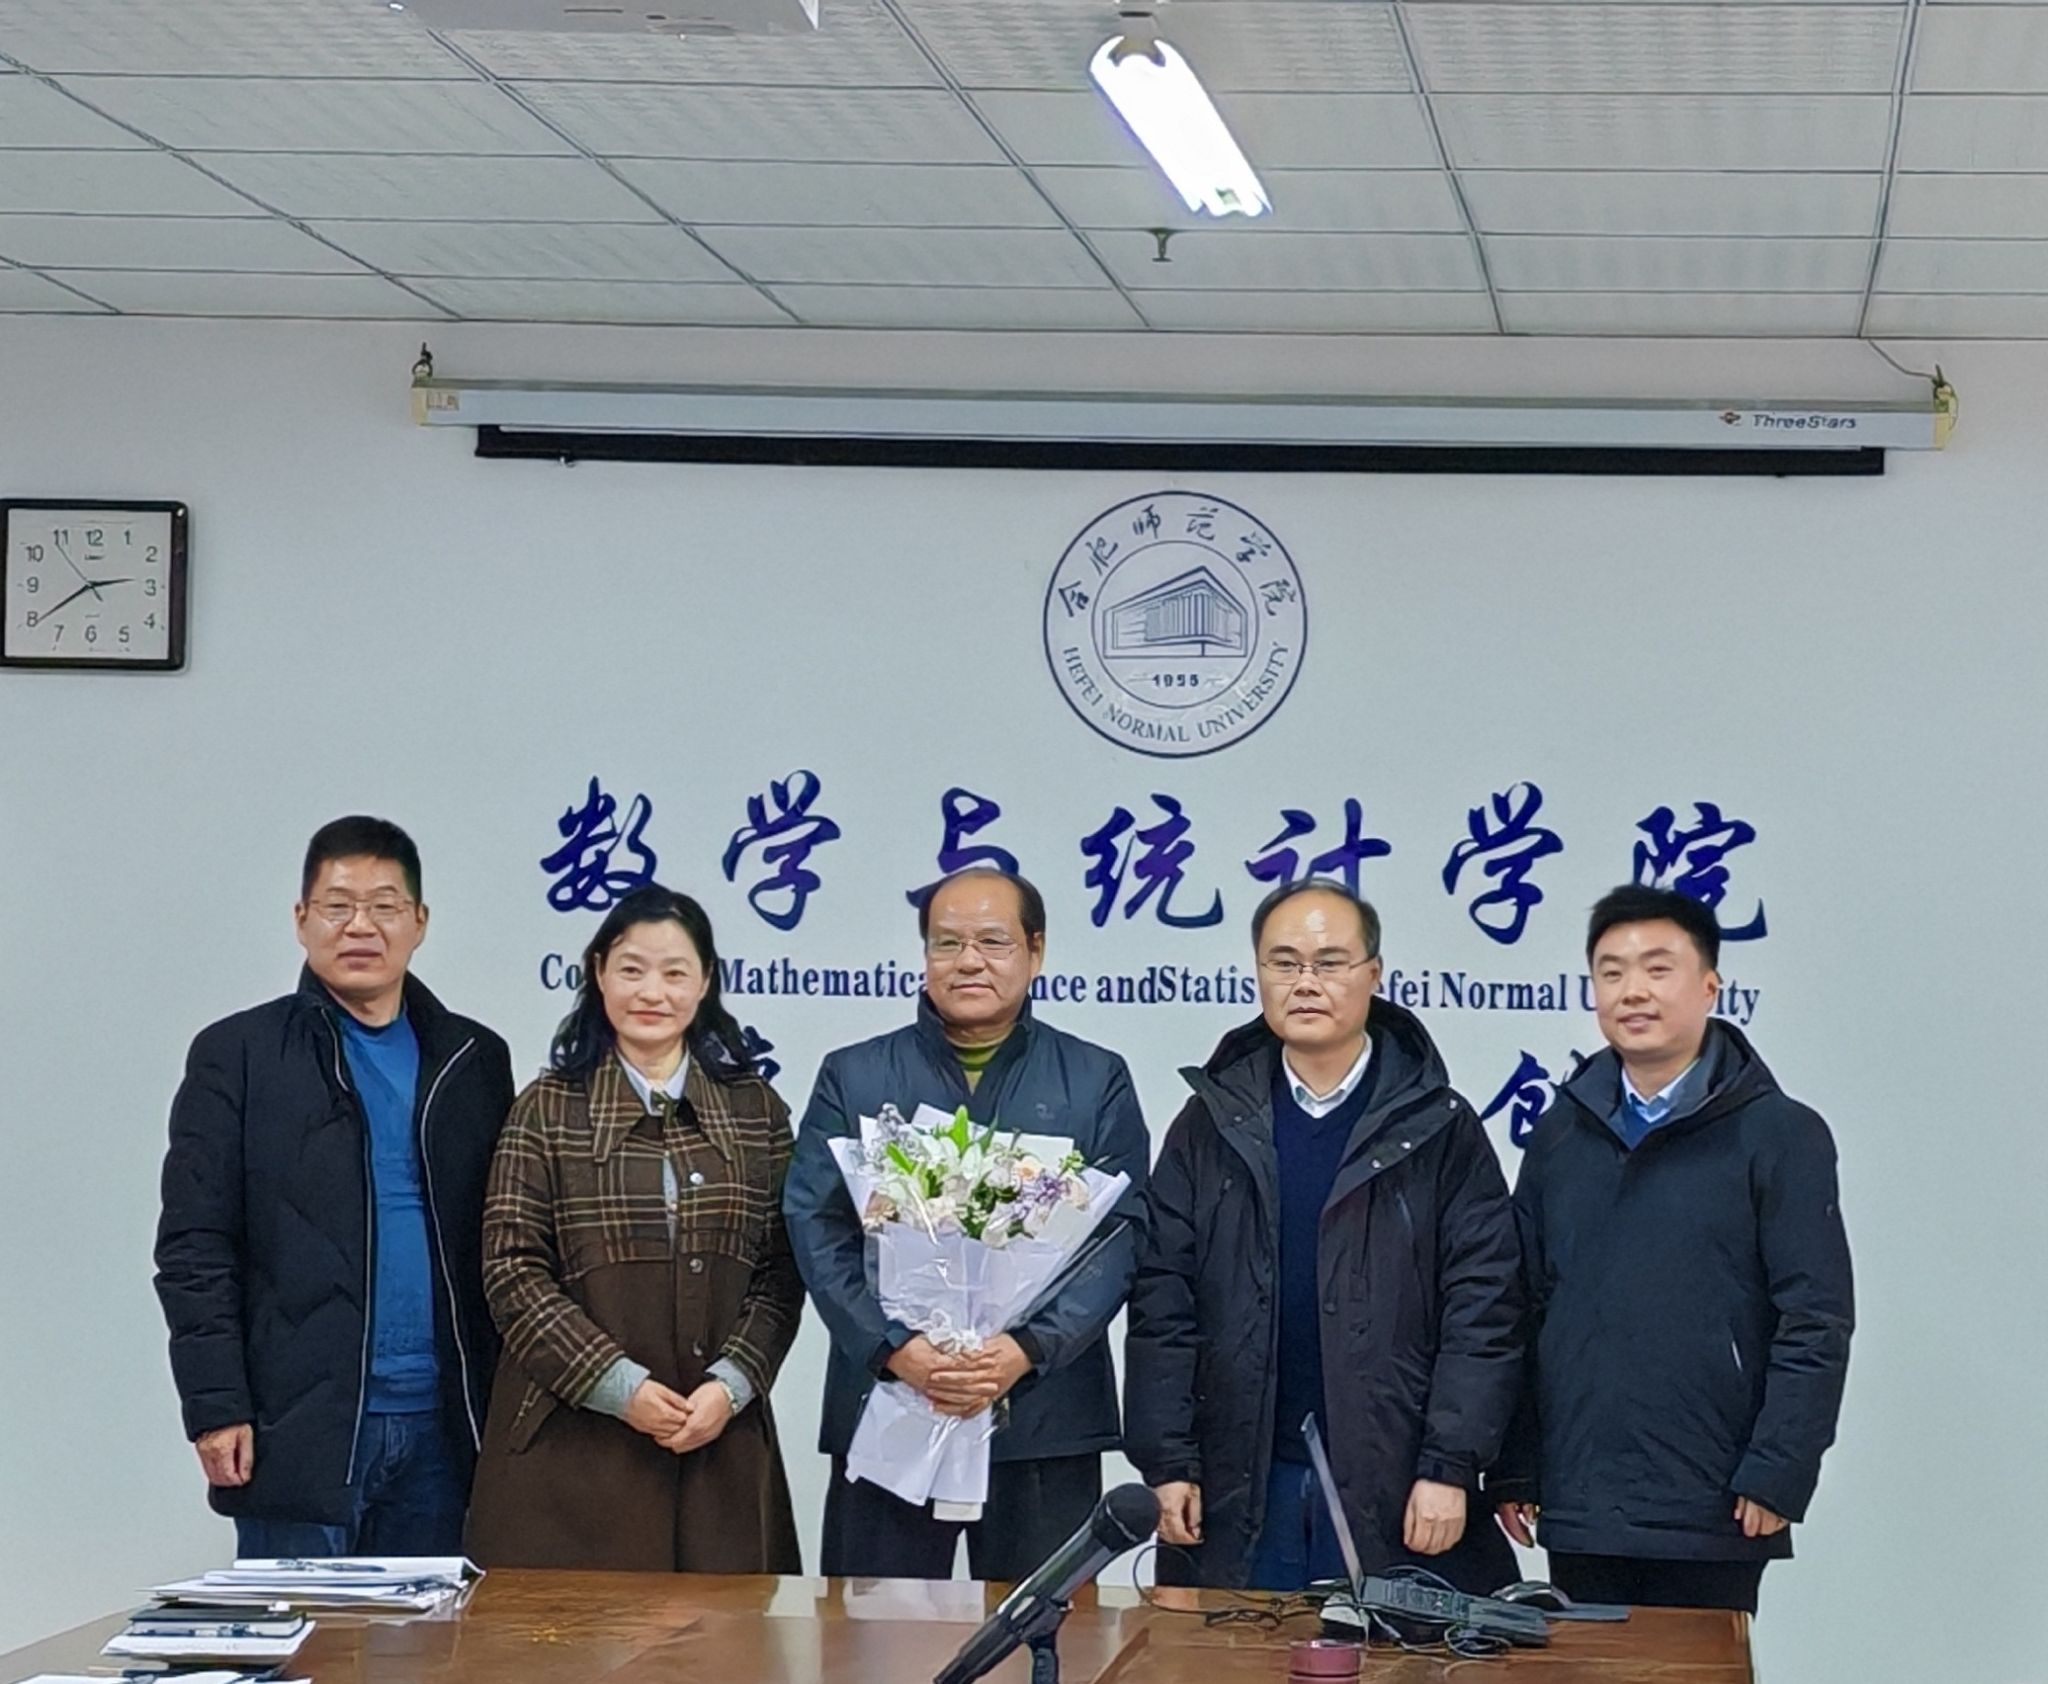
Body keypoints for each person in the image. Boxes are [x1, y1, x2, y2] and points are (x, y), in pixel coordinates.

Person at [1125, 879, 1521, 1594]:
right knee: (1233, 1651)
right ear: (1258, 974)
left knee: (1390, 1652)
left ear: (1374, 974)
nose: (1305, 982)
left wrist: (1449, 1465)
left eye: (1330, 962)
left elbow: (1484, 1308)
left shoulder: (1439, 1126)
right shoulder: (1209, 1124)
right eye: (1284, 963)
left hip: (1395, 1477)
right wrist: (1168, 1461)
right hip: (1240, 1478)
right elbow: (1163, 1301)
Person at [154, 816, 515, 1555]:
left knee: (434, 1630)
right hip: (297, 1427)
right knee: (302, 1631)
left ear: (419, 922)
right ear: (301, 920)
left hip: (446, 1429)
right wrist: (215, 1404)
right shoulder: (238, 1054)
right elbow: (194, 1248)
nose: (361, 927)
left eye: (384, 906)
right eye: (338, 906)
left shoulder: (474, 1059)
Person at [1490, 885, 1854, 1614]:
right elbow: (1521, 1305)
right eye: (1612, 972)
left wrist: (1779, 1469)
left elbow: (1815, 1321)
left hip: (1715, 1503)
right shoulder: (1561, 1136)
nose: (1634, 991)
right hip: (1583, 1499)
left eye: (1658, 969)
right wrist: (1514, 1466)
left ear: (1710, 986)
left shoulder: (1780, 1134)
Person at [783, 866, 1150, 1580]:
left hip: (1041, 1416)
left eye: (993, 941)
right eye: (947, 943)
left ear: (1036, 952)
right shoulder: (854, 1076)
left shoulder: (1095, 1078)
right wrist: (895, 1348)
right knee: (873, 1630)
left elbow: (1121, 1234)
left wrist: (1025, 1348)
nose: (968, 961)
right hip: (891, 1406)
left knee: (1045, 1630)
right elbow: (817, 1226)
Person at [466, 886, 804, 1571]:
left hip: (720, 1446)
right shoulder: (546, 1109)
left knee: (726, 1633)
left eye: (675, 972)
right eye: (631, 969)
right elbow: (512, 1270)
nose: (653, 992)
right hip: (571, 1450)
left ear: (705, 982)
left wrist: (731, 1386)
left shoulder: (756, 1112)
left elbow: (784, 1271)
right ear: (598, 973)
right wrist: (618, 1387)